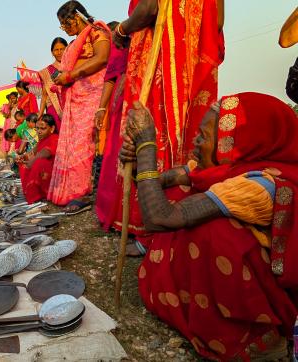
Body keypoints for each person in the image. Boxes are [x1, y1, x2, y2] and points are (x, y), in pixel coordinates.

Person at [119, 93, 298, 360]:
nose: (196, 142)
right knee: (182, 191)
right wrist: (136, 162)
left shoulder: (259, 185)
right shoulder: (224, 169)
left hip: (265, 297)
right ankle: (189, 307)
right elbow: (159, 183)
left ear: (236, 144)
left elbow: (159, 217)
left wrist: (147, 145)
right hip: (233, 283)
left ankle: (258, 340)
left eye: (203, 137)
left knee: (214, 232)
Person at [111, 0, 225, 248]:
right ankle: (180, 219)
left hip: (163, 55)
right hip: (196, 58)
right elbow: (216, 21)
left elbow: (150, 7)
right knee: (191, 134)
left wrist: (121, 29)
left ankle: (156, 226)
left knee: (150, 130)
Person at [47, 0, 110, 213]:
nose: (65, 28)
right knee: (75, 146)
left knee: (86, 145)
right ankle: (72, 190)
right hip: (77, 99)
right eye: (62, 25)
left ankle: (83, 192)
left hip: (92, 97)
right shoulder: (75, 43)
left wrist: (70, 75)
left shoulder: (96, 31)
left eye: (66, 22)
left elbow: (102, 58)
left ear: (77, 16)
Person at [94, 21, 129, 229]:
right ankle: (116, 212)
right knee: (116, 152)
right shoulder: (118, 48)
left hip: (131, 97)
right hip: (123, 97)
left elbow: (110, 78)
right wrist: (101, 109)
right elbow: (110, 77)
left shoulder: (124, 40)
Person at [19, 115, 59, 204]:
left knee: (38, 162)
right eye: (37, 128)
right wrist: (23, 157)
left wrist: (33, 161)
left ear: (52, 128)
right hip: (44, 170)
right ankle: (32, 192)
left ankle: (41, 194)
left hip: (53, 173)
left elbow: (46, 152)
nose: (39, 132)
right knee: (24, 165)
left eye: (43, 128)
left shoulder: (54, 138)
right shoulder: (41, 140)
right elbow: (32, 152)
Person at [38, 37, 68, 132]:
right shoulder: (46, 72)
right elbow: (44, 95)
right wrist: (40, 114)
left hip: (71, 108)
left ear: (67, 49)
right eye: (56, 50)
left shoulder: (74, 67)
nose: (59, 52)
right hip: (54, 111)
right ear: (52, 52)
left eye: (62, 49)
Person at [0, 91, 19, 155]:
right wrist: (9, 109)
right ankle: (7, 150)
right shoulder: (5, 106)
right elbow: (6, 116)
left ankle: (13, 150)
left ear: (16, 98)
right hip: (8, 123)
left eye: (13, 98)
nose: (11, 100)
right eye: (10, 99)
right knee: (9, 135)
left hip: (15, 122)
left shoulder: (18, 105)